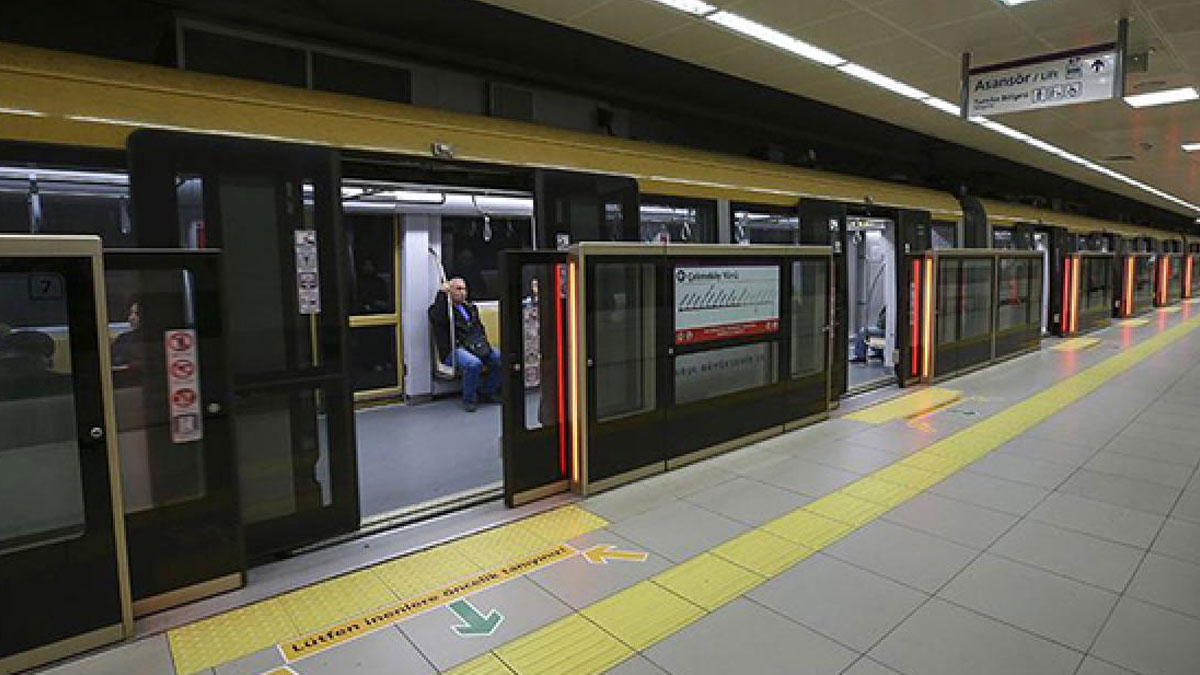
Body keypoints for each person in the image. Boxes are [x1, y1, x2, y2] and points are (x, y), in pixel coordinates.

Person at [428, 277, 501, 412]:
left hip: (475, 345)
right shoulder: (441, 310)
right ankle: (469, 399)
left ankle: (488, 391)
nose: (463, 292)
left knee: (499, 357)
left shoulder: (470, 308)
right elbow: (438, 318)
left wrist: (483, 345)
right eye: (458, 289)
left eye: (464, 289)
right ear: (450, 291)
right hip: (455, 348)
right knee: (473, 364)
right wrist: (441, 294)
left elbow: (479, 329)